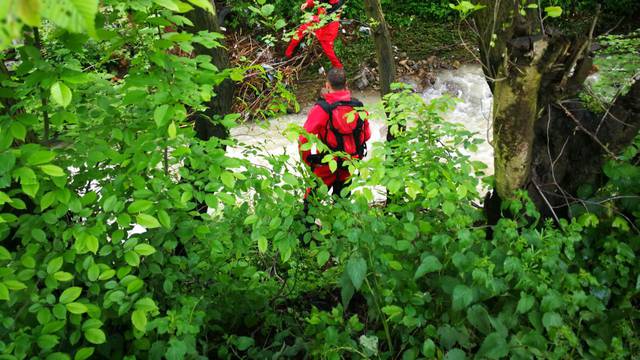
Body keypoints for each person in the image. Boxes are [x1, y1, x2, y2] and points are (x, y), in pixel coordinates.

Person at [299, 67, 371, 210]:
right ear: (346, 85)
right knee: (342, 202)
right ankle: (339, 230)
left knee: (311, 204)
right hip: (349, 163)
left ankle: (307, 230)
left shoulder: (322, 109)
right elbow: (366, 135)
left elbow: (303, 138)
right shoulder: (358, 108)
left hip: (326, 164)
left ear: (327, 85)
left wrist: (308, 160)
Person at [285, 0, 345, 68]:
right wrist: (307, 3)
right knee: (300, 31)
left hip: (328, 28)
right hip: (317, 22)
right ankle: (288, 54)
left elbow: (328, 19)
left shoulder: (337, 4)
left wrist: (313, 18)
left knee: (328, 50)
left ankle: (338, 67)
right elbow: (316, 1)